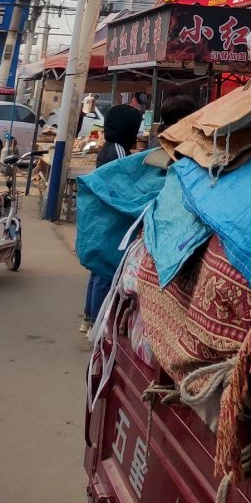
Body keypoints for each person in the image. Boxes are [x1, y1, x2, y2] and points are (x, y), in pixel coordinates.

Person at [80, 94, 150, 331]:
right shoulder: (118, 152)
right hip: (111, 218)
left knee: (98, 270)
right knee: (107, 271)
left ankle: (89, 317)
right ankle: (98, 324)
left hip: (103, 216)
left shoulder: (110, 148)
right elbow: (125, 184)